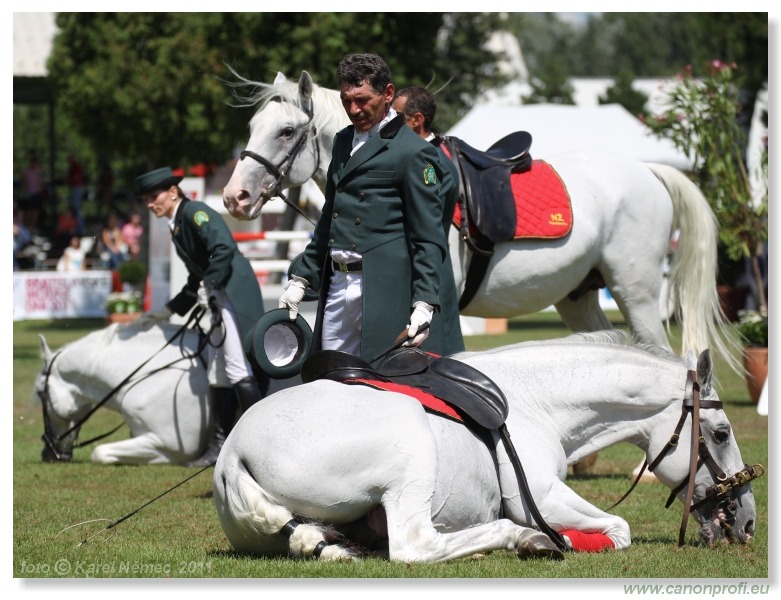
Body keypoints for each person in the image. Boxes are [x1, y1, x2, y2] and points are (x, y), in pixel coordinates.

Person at [279, 53, 464, 364]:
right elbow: (330, 217)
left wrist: (425, 302)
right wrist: (302, 278)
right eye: (346, 100)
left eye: (362, 99)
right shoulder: (341, 142)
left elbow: (427, 235)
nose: (353, 109)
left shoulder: (414, 151)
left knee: (381, 388)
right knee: (330, 377)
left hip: (381, 287)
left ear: (388, 94)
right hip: (338, 283)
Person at [135, 167, 267, 467]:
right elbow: (196, 276)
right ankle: (219, 446)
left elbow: (223, 248)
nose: (149, 204)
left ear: (172, 191)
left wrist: (209, 285)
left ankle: (261, 444)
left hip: (232, 291)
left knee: (236, 366)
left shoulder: (194, 212)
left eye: (152, 197)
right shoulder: (177, 222)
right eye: (145, 199)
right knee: (218, 372)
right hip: (218, 293)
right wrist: (168, 310)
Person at [66, 154, 86, 234]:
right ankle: (75, 227)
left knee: (76, 210)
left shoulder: (76, 167)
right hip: (74, 188)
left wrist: (68, 180)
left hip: (77, 189)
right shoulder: (72, 167)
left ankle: (81, 228)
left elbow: (76, 178)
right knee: (74, 210)